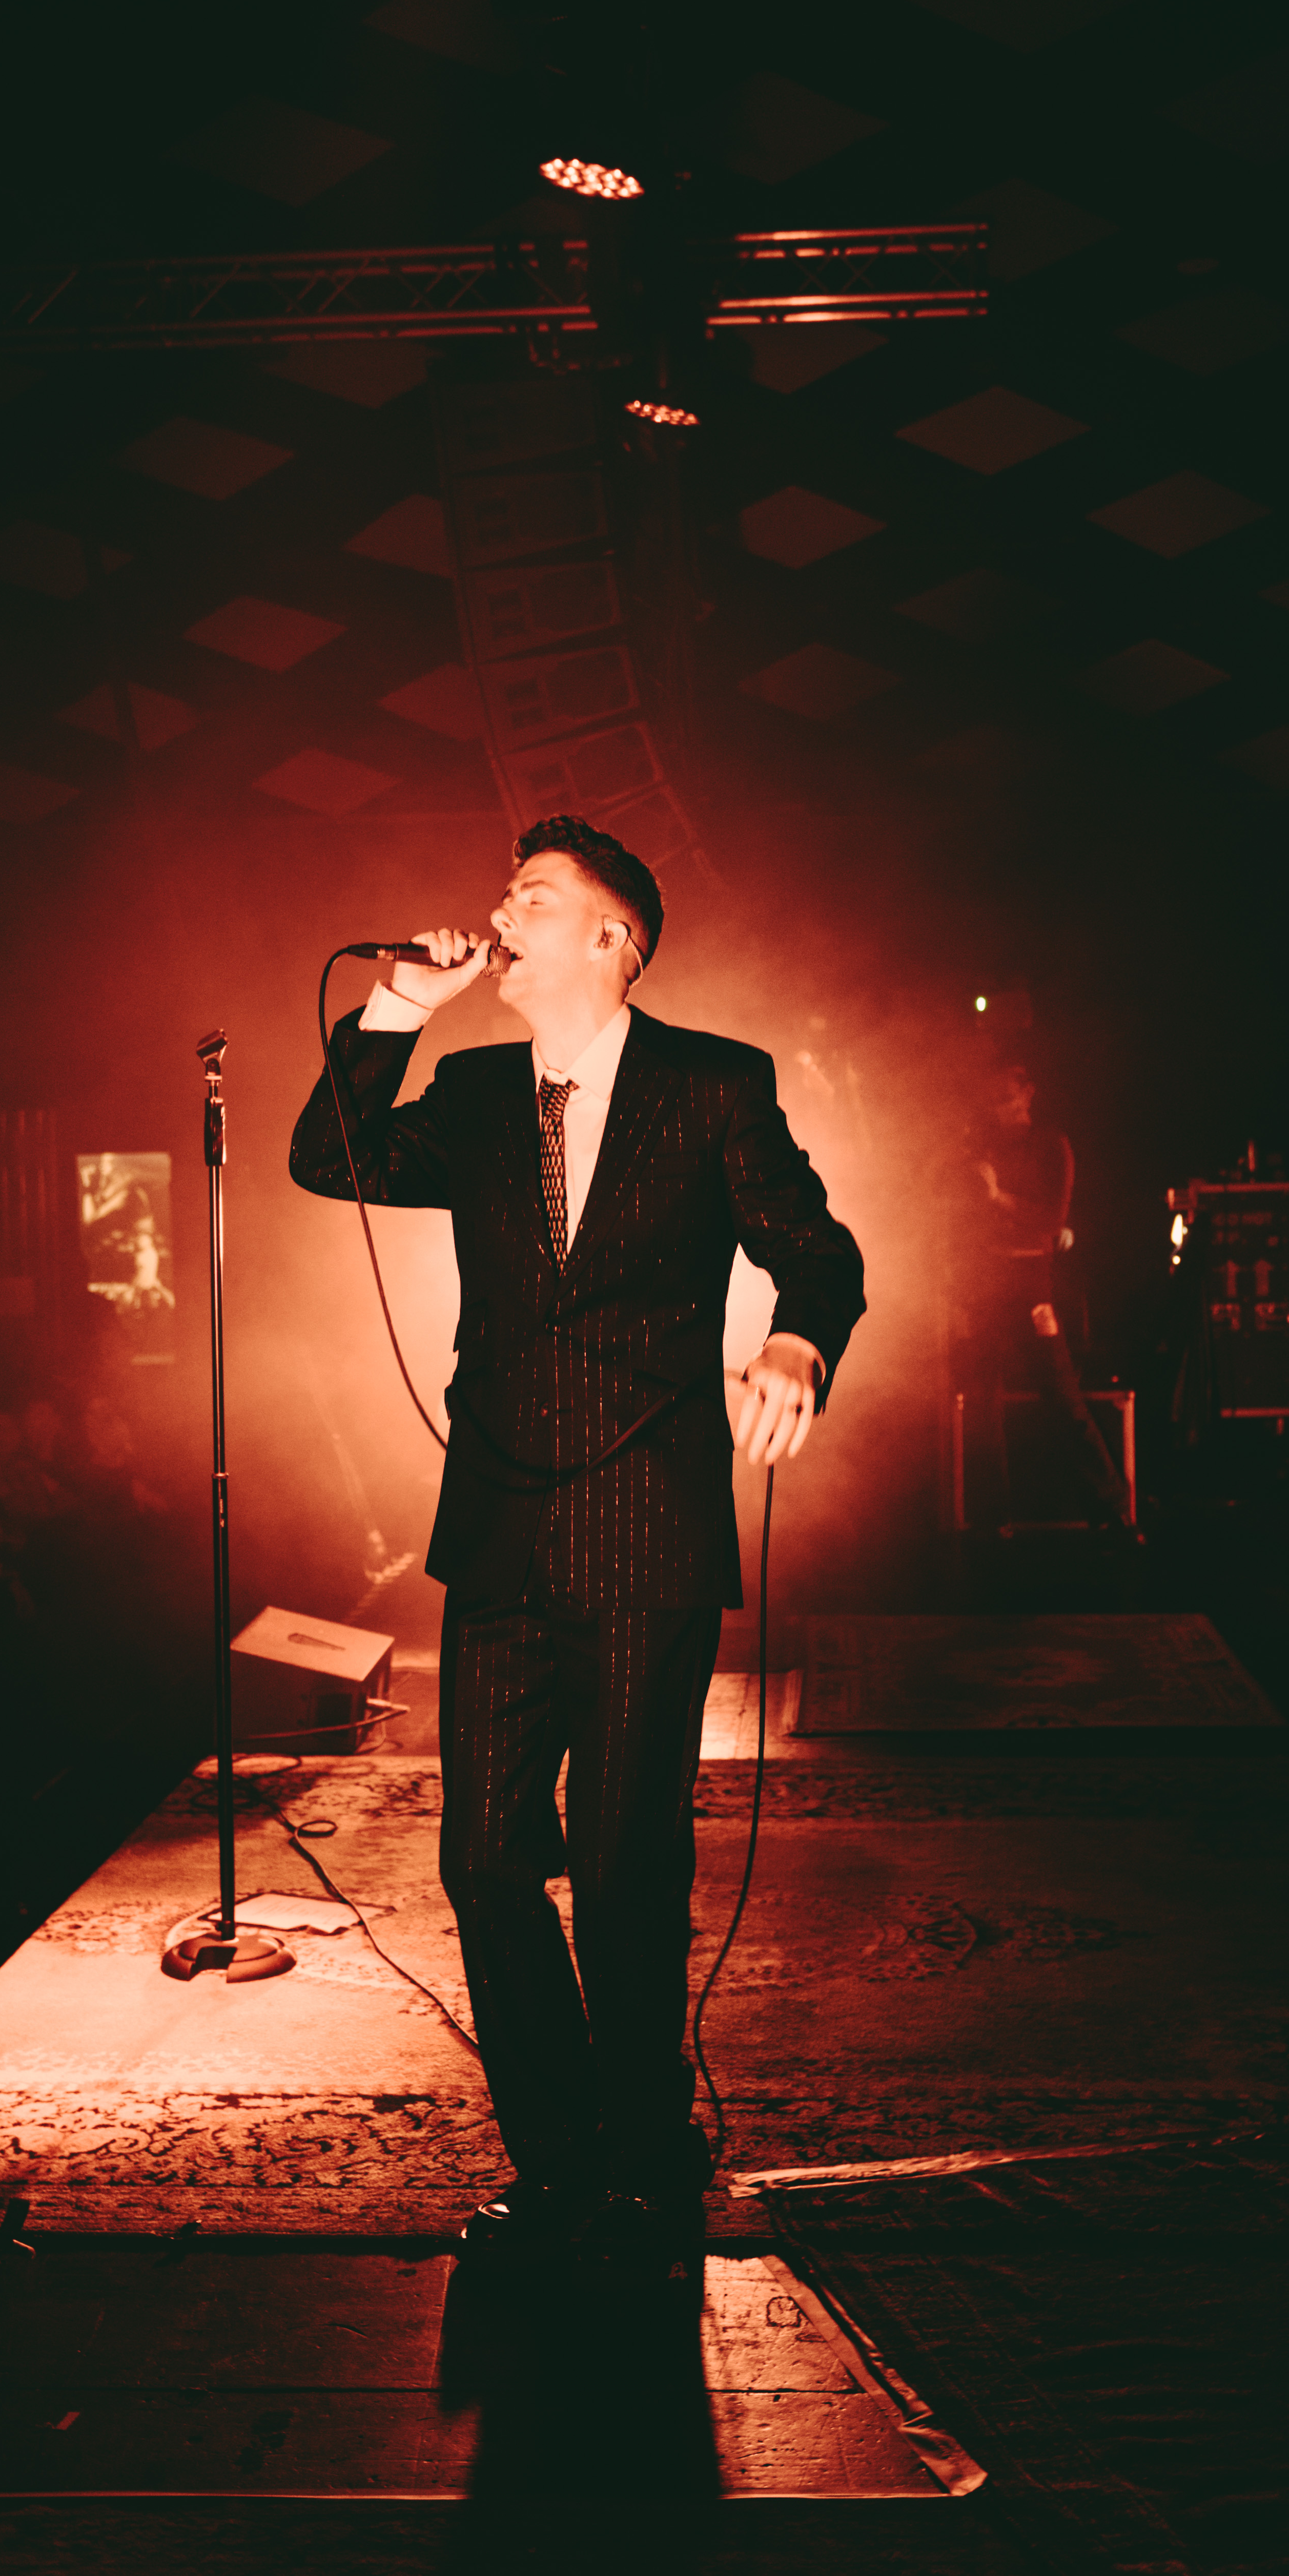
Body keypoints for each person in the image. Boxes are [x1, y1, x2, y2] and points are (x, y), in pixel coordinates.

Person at [290, 814, 865, 2273]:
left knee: (622, 1864)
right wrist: (395, 1014)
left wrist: (796, 1336)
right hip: (493, 1524)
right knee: (484, 1859)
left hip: (644, 1527)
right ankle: (558, 2158)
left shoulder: (710, 1084)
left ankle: (638, 2148)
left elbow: (818, 1245)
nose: (500, 912)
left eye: (532, 896)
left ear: (613, 938)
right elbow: (324, 1156)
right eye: (507, 891)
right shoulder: (476, 1089)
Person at [950, 1057, 1133, 1537]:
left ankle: (1111, 1510)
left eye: (1007, 1098)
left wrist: (997, 1198)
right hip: (984, 1280)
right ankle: (993, 1519)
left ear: (1028, 1093)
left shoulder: (1053, 1146)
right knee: (981, 1403)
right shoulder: (977, 1146)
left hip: (1031, 1281)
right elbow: (954, 1218)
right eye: (992, 1101)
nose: (1000, 1109)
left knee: (1061, 1396)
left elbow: (1051, 1220)